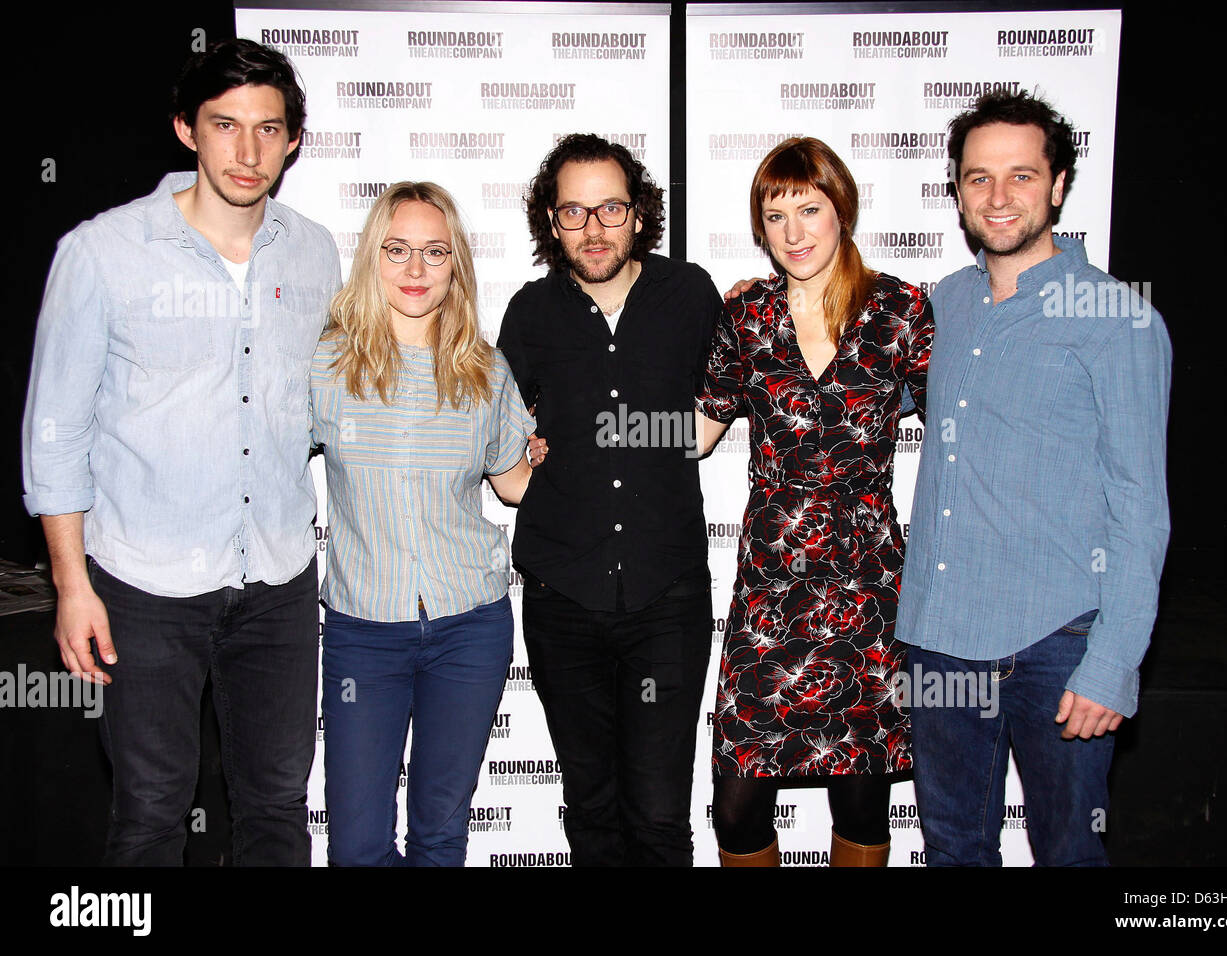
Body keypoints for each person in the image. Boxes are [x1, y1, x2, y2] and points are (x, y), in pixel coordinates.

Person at [20, 38, 340, 865]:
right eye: (224, 125)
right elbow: (55, 430)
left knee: (277, 807)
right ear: (184, 129)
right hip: (144, 586)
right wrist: (70, 585)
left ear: (294, 140)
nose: (247, 151)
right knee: (153, 812)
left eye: (269, 129)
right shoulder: (102, 253)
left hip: (276, 578)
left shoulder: (314, 253)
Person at [896, 90, 1171, 866]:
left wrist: (1114, 663)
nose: (998, 196)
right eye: (977, 178)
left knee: (1070, 856)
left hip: (1058, 643)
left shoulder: (1117, 318)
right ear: (956, 191)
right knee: (952, 849)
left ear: (1057, 186)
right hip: (941, 641)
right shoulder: (943, 304)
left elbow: (1141, 509)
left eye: (1021, 175)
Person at [694, 137, 932, 867]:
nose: (793, 233)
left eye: (810, 209)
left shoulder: (900, 310)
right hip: (770, 587)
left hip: (866, 585)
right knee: (736, 809)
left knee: (862, 802)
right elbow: (696, 435)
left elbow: (965, 429)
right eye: (775, 216)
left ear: (841, 211)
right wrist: (591, 432)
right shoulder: (748, 318)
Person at [496, 134, 721, 866]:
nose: (594, 229)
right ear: (551, 222)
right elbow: (497, 442)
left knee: (659, 813)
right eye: (574, 212)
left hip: (667, 595)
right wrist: (516, 459)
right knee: (591, 805)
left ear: (639, 213)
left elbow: (714, 417)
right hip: (564, 595)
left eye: (611, 208)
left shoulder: (689, 294)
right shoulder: (528, 314)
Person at [309, 182, 534, 866]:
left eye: (434, 253)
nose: (414, 270)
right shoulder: (324, 365)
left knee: (440, 835)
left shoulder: (485, 371)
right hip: (362, 634)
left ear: (456, 265)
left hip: (470, 627)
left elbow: (515, 484)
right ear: (371, 259)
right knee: (357, 845)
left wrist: (567, 451)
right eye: (397, 250)